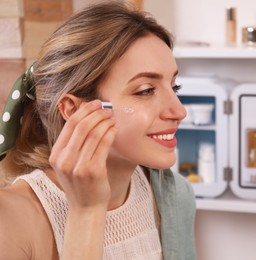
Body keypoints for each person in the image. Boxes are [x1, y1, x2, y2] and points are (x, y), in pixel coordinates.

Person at [0, 2, 196, 260]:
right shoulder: (12, 219)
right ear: (73, 108)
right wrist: (87, 210)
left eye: (174, 87)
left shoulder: (173, 197)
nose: (179, 111)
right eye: (146, 90)